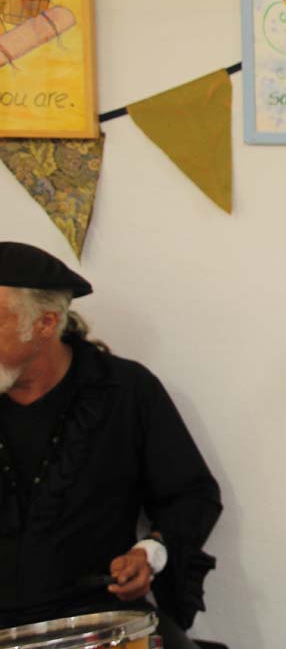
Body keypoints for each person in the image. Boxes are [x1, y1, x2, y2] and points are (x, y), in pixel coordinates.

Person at [0, 242, 222, 649]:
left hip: (99, 620)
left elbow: (192, 495)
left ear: (46, 323)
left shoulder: (124, 391)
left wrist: (148, 553)